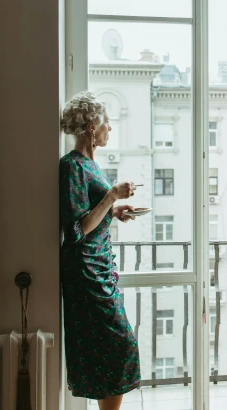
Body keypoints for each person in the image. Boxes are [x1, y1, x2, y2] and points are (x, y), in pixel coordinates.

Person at [59, 91, 141, 410]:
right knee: (120, 345)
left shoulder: (90, 165)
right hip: (86, 275)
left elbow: (92, 215)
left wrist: (115, 211)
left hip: (100, 270)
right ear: (92, 127)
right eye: (107, 122)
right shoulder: (72, 167)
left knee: (109, 349)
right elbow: (77, 229)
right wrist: (111, 197)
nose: (110, 128)